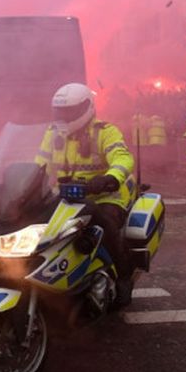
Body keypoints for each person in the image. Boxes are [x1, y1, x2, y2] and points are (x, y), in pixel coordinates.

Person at [35, 83, 136, 306]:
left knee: (105, 225)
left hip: (104, 197)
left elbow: (123, 158)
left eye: (68, 112)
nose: (63, 117)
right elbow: (40, 164)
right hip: (66, 197)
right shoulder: (53, 133)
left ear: (85, 108)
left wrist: (109, 179)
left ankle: (123, 278)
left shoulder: (105, 131)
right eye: (59, 112)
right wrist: (27, 182)